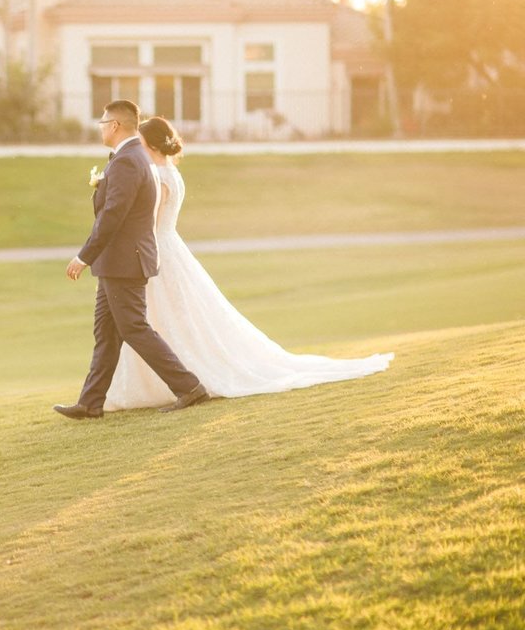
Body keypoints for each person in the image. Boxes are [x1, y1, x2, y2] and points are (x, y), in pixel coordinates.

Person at [103, 116, 393, 410]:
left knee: (160, 318)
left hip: (157, 251)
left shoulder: (159, 177)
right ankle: (166, 380)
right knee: (166, 318)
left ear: (150, 144)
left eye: (139, 142)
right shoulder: (171, 174)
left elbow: (147, 225)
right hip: (169, 248)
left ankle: (185, 379)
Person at [54, 100, 210, 420]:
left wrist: (84, 256)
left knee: (134, 328)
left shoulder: (127, 160)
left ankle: (189, 386)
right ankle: (91, 402)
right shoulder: (132, 157)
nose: (99, 127)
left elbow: (113, 216)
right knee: (107, 333)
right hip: (118, 262)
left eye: (102, 122)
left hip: (124, 261)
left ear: (114, 126)